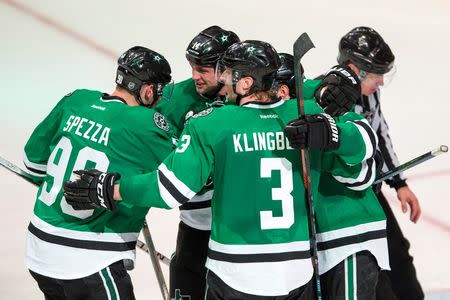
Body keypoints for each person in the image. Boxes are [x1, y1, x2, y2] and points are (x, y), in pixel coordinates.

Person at [64, 40, 380, 299]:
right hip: (295, 272)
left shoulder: (213, 124)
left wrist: (111, 188)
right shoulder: (305, 114)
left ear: (246, 82)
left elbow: (168, 190)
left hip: (236, 273)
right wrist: (335, 134)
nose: (222, 80)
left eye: (227, 74)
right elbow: (364, 156)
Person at [22, 46, 176, 300]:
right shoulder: (145, 124)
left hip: (39, 251)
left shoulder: (76, 99)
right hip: (90, 259)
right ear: (149, 91)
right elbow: (184, 178)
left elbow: (33, 164)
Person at [315, 26, 424, 300]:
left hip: (370, 194)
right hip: (343, 204)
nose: (381, 82)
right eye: (377, 75)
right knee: (375, 274)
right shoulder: (325, 96)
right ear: (355, 69)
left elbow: (380, 134)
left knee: (399, 258)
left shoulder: (368, 91)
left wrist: (399, 183)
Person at [155, 25, 240, 300]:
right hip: (196, 226)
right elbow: (148, 146)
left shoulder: (251, 97)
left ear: (226, 68)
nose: (195, 76)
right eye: (193, 67)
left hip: (241, 230)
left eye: (203, 69)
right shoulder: (173, 99)